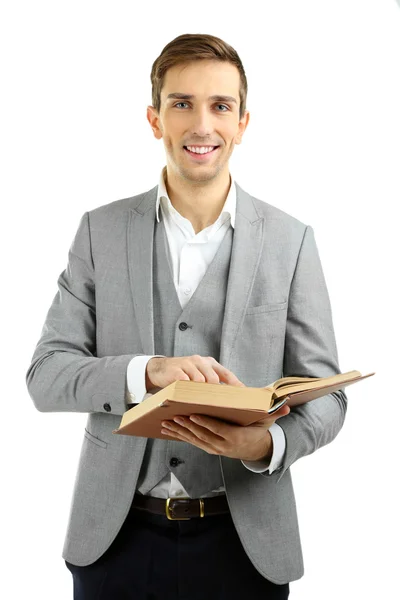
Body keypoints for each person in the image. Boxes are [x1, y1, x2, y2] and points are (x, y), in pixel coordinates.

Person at [26, 33, 348, 600]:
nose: (202, 125)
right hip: (115, 542)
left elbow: (327, 396)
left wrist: (266, 445)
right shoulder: (100, 232)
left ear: (243, 122)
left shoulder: (291, 241)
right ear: (154, 119)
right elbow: (46, 376)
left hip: (245, 544)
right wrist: (148, 373)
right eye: (182, 104)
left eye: (221, 106)